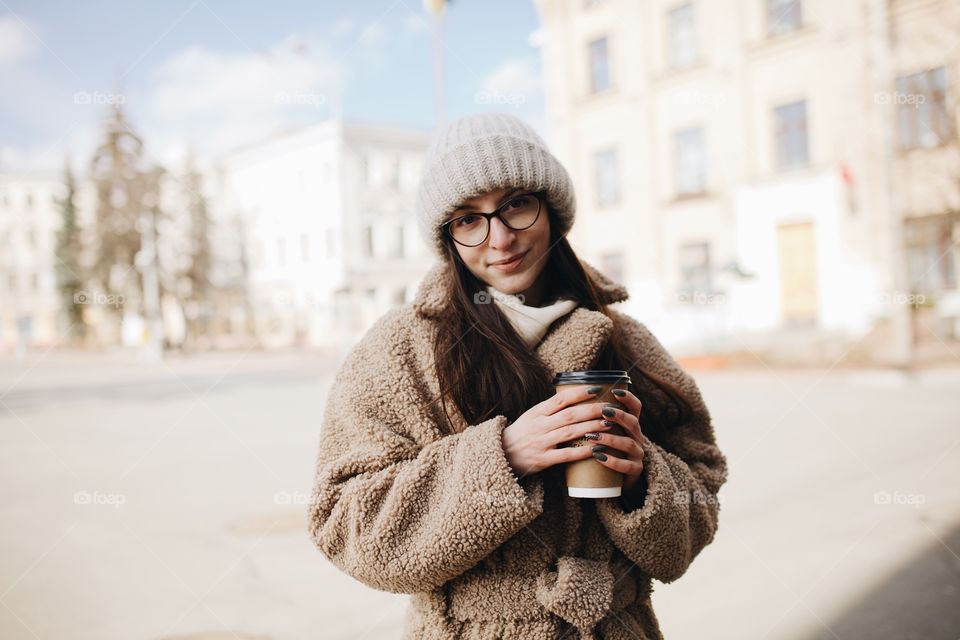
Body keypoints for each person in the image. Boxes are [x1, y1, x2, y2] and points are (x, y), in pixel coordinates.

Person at [308, 112, 727, 639]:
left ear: (549, 208)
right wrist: (501, 458)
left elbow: (702, 492)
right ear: (448, 236)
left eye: (516, 205)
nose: (500, 238)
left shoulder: (626, 337)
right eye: (468, 219)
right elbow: (344, 523)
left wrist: (643, 477)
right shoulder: (401, 347)